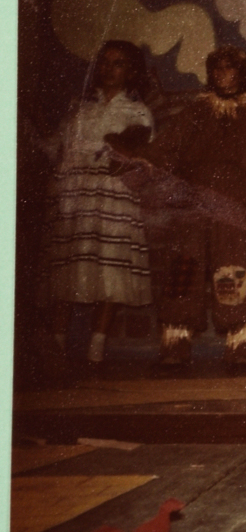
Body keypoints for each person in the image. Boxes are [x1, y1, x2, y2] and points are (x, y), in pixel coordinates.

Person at [111, 45, 246, 373]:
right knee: (183, 269)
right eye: (217, 69)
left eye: (230, 69)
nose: (223, 75)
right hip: (191, 204)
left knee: (233, 271)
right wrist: (142, 159)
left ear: (243, 73)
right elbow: (168, 146)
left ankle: (239, 343)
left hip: (234, 205)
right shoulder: (196, 111)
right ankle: (175, 342)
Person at [44, 40, 154, 369]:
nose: (109, 69)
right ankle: (57, 343)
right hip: (76, 192)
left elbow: (138, 156)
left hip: (112, 195)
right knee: (70, 264)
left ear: (131, 71)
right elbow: (57, 148)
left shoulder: (138, 112)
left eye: (118, 63)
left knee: (110, 266)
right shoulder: (79, 107)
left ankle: (97, 345)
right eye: (104, 62)